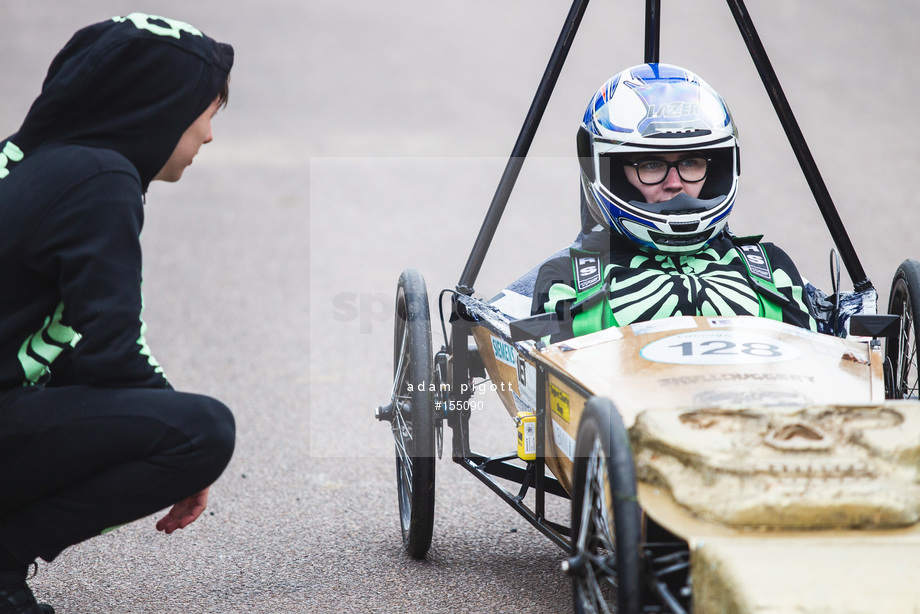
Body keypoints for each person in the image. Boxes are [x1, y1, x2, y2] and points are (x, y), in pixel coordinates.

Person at [0, 14, 236, 613]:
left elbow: (75, 346)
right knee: (203, 430)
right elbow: (113, 353)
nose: (208, 136)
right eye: (206, 113)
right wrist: (189, 458)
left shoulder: (29, 162)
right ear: (155, 110)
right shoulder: (99, 179)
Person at [531, 63, 816, 340]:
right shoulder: (568, 279)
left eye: (691, 162)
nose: (675, 183)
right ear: (612, 173)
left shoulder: (770, 267)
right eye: (651, 165)